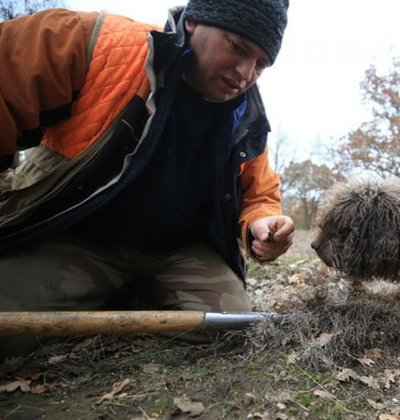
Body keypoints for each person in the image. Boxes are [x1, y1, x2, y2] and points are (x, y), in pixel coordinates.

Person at [0, 0, 294, 356]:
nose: (245, 73)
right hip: (76, 239)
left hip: (177, 253)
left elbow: (259, 194)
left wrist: (262, 224)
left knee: (230, 330)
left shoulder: (247, 119)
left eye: (261, 64)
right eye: (237, 47)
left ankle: (125, 293)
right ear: (195, 23)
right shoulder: (99, 43)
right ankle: (113, 292)